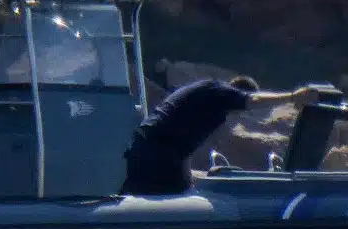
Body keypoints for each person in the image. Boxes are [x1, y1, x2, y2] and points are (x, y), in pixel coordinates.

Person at [120, 76, 322, 196]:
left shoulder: (208, 100)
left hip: (150, 148)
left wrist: (188, 179)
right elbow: (253, 99)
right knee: (169, 198)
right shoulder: (219, 91)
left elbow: (182, 146)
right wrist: (293, 97)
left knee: (164, 191)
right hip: (156, 151)